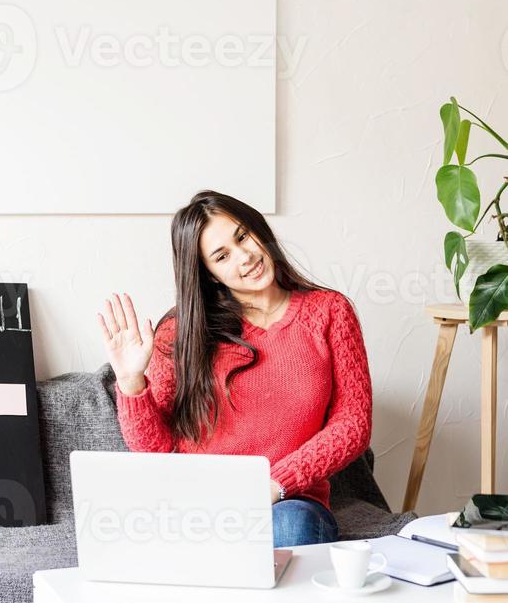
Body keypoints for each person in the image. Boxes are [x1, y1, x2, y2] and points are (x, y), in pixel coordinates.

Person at [97, 189, 372, 548]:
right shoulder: (181, 332)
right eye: (222, 256)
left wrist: (275, 485)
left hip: (287, 502)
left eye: (243, 236)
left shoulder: (330, 311)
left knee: (290, 527)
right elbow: (157, 455)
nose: (245, 257)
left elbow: (353, 422)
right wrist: (131, 381)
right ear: (208, 273)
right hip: (198, 504)